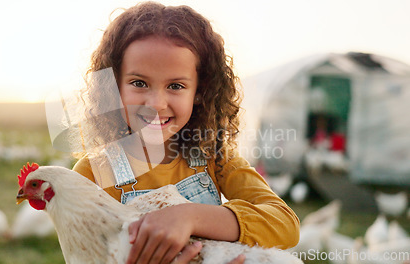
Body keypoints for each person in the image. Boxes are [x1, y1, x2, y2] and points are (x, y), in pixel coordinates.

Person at [72, 2, 300, 263]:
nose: (156, 103)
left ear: (199, 93)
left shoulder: (214, 157)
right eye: (138, 83)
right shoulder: (92, 175)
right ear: (112, 87)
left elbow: (285, 224)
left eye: (176, 86)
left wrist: (189, 217)